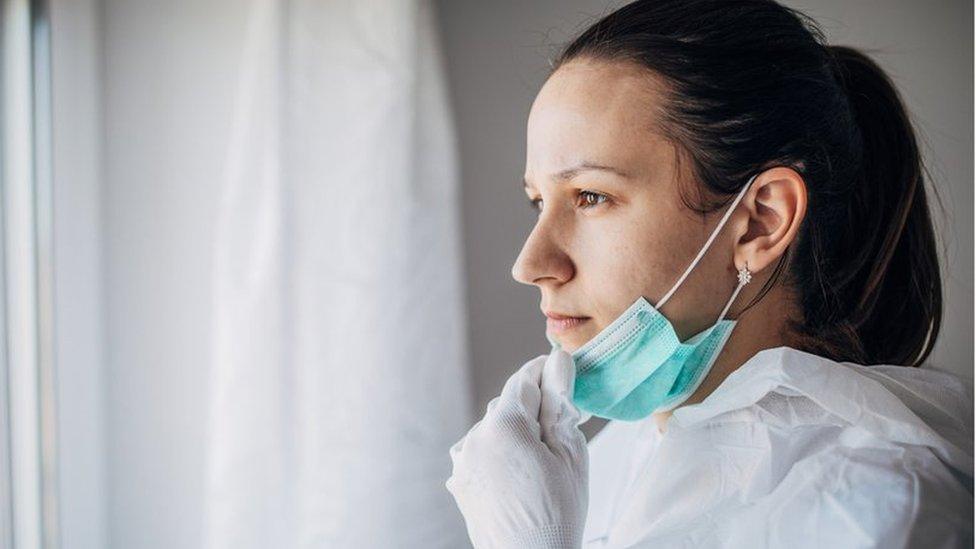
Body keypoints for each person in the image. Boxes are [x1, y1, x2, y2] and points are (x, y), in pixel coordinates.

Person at [445, 0, 973, 547]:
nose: (529, 265)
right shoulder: (622, 456)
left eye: (591, 196)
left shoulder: (880, 514)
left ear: (759, 222)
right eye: (539, 200)